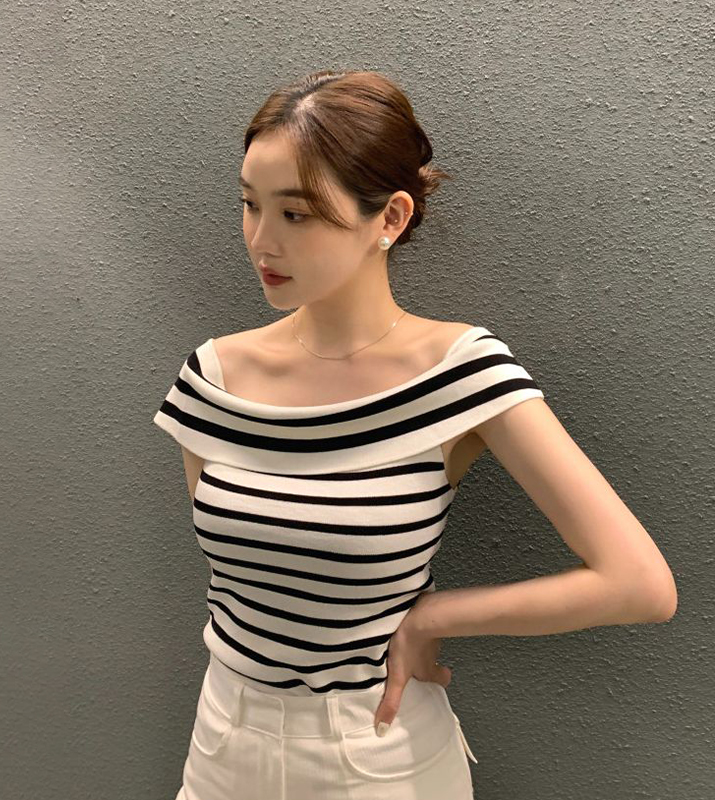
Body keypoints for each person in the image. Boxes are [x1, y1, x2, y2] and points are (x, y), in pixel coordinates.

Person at [153, 68, 677, 800]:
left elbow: (639, 584)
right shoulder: (213, 378)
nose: (261, 241)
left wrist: (434, 618)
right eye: (249, 204)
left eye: (296, 213)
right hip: (222, 742)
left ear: (391, 218)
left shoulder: (460, 371)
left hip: (376, 752)